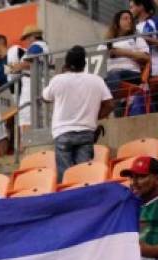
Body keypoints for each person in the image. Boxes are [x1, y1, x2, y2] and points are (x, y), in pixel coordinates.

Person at [42, 45, 114, 180]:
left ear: (66, 64)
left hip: (63, 132)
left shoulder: (59, 80)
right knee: (84, 175)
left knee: (66, 177)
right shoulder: (96, 80)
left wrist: (62, 74)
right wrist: (96, 116)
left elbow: (45, 98)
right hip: (87, 132)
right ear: (84, 64)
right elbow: (110, 104)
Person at [102, 11, 150, 117]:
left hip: (131, 74)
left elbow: (146, 58)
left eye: (130, 19)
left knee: (114, 73)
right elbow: (97, 62)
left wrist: (121, 52)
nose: (129, 21)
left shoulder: (136, 39)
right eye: (125, 18)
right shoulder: (106, 42)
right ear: (117, 22)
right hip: (110, 76)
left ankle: (110, 105)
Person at [10, 25, 50, 132]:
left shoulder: (36, 46)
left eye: (26, 39)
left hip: (31, 90)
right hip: (35, 87)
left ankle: (26, 147)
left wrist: (13, 67)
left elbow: (29, 63)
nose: (25, 42)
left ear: (32, 37)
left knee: (26, 120)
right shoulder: (43, 46)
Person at [130, 0, 158, 78]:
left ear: (141, 7)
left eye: (132, 7)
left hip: (155, 69)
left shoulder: (156, 21)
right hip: (137, 71)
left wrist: (143, 39)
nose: (130, 11)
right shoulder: (133, 27)